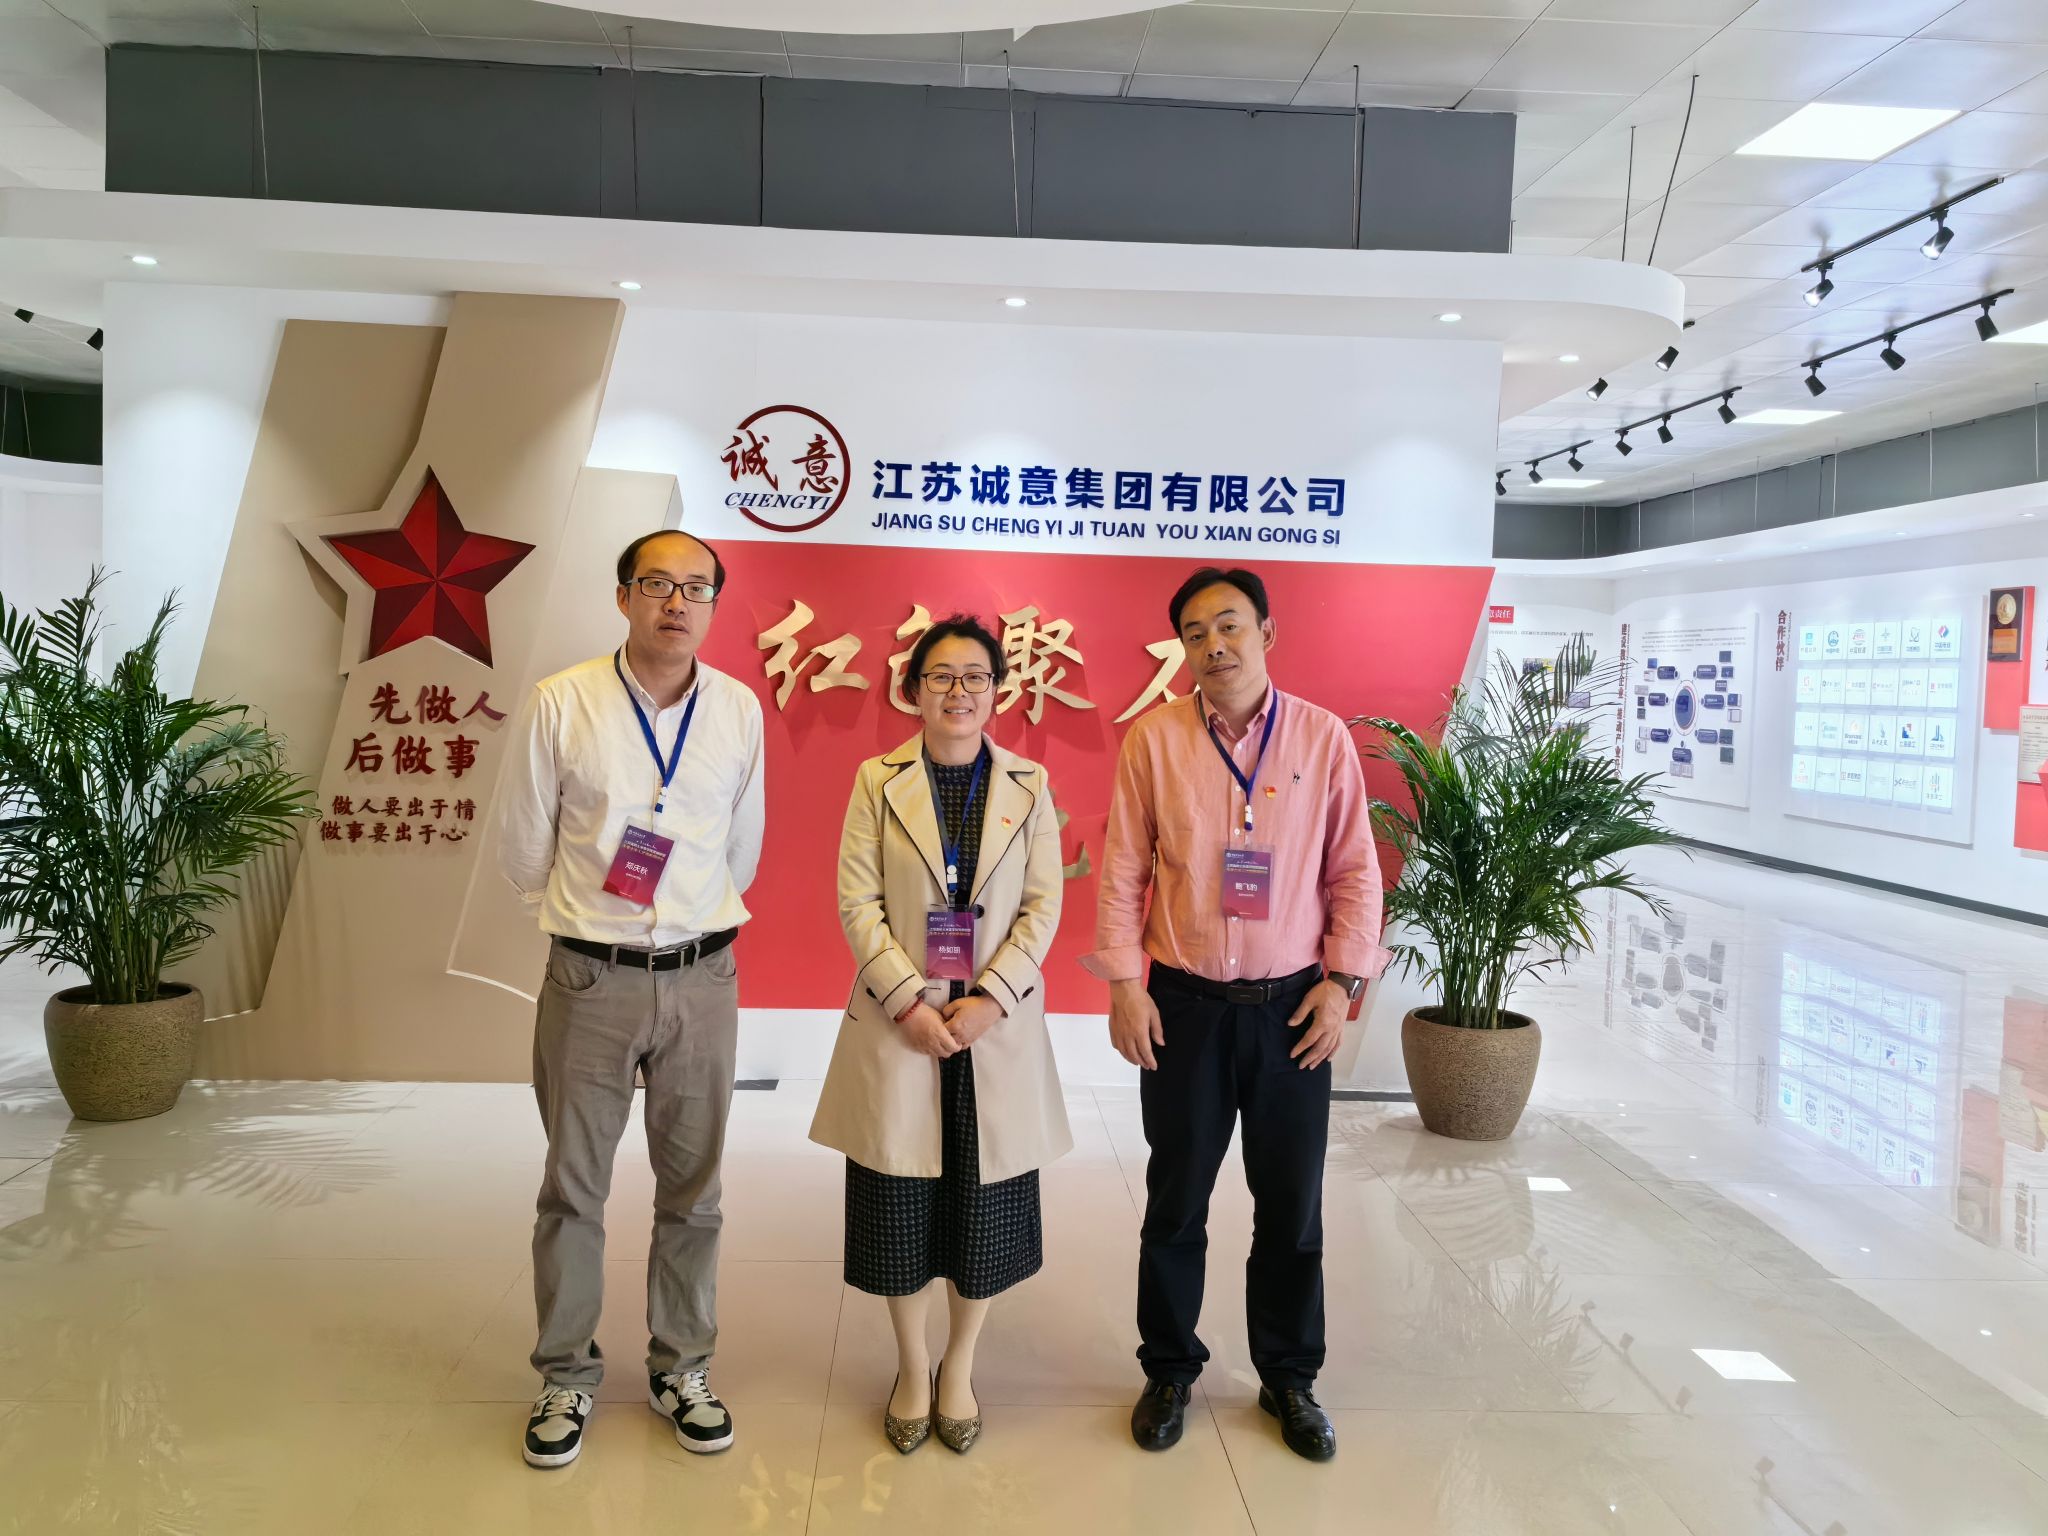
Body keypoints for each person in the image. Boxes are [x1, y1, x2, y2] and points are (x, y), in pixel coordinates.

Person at [1083, 566, 1389, 1464]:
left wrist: (1343, 984)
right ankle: (1169, 1368)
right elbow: (1123, 869)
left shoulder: (1321, 738)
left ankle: (1289, 1376)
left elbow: (1355, 870)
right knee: (1176, 1200)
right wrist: (1125, 984)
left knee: (1290, 1204)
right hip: (1184, 1006)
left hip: (1292, 1007)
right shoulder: (1155, 740)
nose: (1213, 645)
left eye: (1229, 626)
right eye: (1195, 633)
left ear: (1267, 633)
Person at [497, 528, 765, 1469]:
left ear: (714, 605)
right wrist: (587, 922)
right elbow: (523, 847)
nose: (676, 603)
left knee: (695, 1193)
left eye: (696, 588)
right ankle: (565, 1377)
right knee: (573, 1190)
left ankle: (681, 1367)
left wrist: (684, 922)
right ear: (623, 597)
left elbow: (741, 849)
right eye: (657, 584)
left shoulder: (736, 708)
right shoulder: (562, 701)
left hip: (703, 977)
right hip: (591, 977)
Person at [810, 614, 1070, 1455]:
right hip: (904, 1028)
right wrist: (907, 1004)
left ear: (999, 691)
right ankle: (913, 1365)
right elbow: (858, 901)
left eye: (975, 677)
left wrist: (991, 999)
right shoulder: (876, 779)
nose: (959, 691)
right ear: (913, 689)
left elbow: (1043, 905)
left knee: (983, 1209)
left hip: (994, 1029)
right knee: (899, 1203)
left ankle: (960, 1362)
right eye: (941, 676)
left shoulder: (1029, 782)